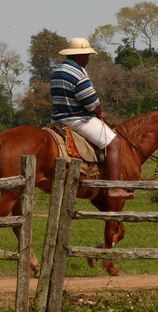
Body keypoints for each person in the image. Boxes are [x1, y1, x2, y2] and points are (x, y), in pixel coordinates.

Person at [50, 37, 134, 200]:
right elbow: (90, 100)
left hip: (57, 119)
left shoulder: (57, 70)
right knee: (114, 143)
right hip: (77, 119)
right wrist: (99, 112)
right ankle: (114, 188)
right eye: (87, 55)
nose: (88, 58)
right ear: (79, 55)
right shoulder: (78, 73)